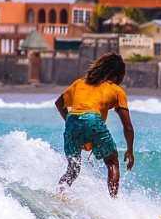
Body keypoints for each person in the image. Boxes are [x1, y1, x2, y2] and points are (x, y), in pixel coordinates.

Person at [55, 52, 134, 197]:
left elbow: (59, 104)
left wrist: (73, 124)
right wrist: (130, 150)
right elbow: (127, 126)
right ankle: (114, 203)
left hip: (71, 120)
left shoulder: (79, 83)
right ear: (116, 76)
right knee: (112, 162)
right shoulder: (117, 90)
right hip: (92, 119)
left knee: (73, 168)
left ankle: (59, 196)